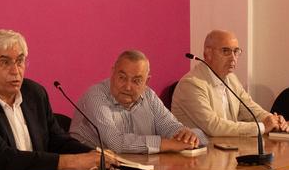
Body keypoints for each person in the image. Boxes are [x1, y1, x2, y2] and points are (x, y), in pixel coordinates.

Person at [0, 29, 106, 170]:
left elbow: (57, 141)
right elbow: (2, 160)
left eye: (20, 61)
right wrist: (71, 162)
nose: (15, 71)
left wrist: (94, 155)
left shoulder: (34, 94)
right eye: (5, 62)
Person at [70, 50, 205, 154]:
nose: (128, 86)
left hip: (135, 169)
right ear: (112, 73)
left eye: (136, 81)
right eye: (122, 77)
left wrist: (185, 135)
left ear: (146, 82)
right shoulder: (95, 96)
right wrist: (165, 144)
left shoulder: (149, 96)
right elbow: (115, 143)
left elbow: (169, 126)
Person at [172, 30, 289, 137]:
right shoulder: (191, 84)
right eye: (226, 51)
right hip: (200, 154)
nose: (233, 58)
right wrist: (262, 127)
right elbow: (214, 127)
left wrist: (273, 120)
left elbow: (250, 109)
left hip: (227, 149)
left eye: (236, 51)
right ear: (208, 53)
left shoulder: (231, 79)